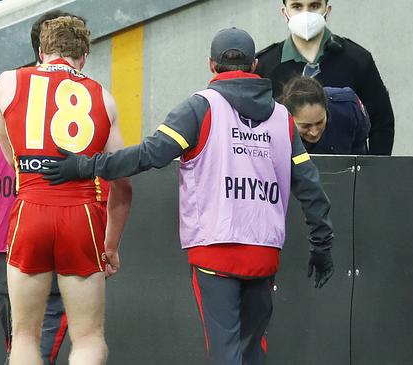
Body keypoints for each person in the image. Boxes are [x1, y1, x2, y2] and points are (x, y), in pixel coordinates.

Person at [41, 27, 334, 365]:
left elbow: (147, 155)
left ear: (212, 65)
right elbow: (310, 186)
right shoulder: (282, 119)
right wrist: (322, 244)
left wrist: (85, 165)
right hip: (263, 253)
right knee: (253, 350)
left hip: (214, 252)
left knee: (225, 351)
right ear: (254, 64)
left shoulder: (200, 108)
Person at [0, 16, 132, 365]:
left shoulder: (8, 82)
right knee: (87, 339)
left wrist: (32, 177)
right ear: (83, 56)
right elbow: (123, 182)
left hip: (31, 208)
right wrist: (110, 245)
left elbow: (9, 149)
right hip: (82, 215)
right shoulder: (104, 97)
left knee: (24, 336)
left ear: (41, 52)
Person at [0, 10, 101, 365]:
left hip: (0, 242)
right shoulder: (85, 101)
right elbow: (101, 176)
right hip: (52, 238)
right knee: (55, 343)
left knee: (21, 345)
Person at [256, 0, 395, 155]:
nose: (306, 14)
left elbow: (382, 122)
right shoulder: (266, 65)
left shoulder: (357, 59)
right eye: (297, 6)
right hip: (285, 174)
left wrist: (373, 172)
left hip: (347, 173)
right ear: (284, 12)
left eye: (314, 6)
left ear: (327, 10)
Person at [279, 76, 370, 154]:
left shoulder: (348, 108)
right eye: (306, 126)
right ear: (289, 118)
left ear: (326, 109)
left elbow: (359, 156)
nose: (314, 132)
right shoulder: (274, 126)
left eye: (319, 122)